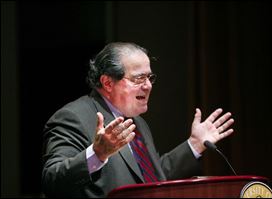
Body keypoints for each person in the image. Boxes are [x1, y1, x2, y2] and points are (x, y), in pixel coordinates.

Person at [41, 42, 234, 197]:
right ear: (108, 83)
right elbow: (52, 181)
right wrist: (97, 154)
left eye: (150, 77)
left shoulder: (137, 122)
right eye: (139, 79)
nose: (148, 86)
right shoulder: (73, 117)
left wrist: (194, 145)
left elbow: (151, 183)